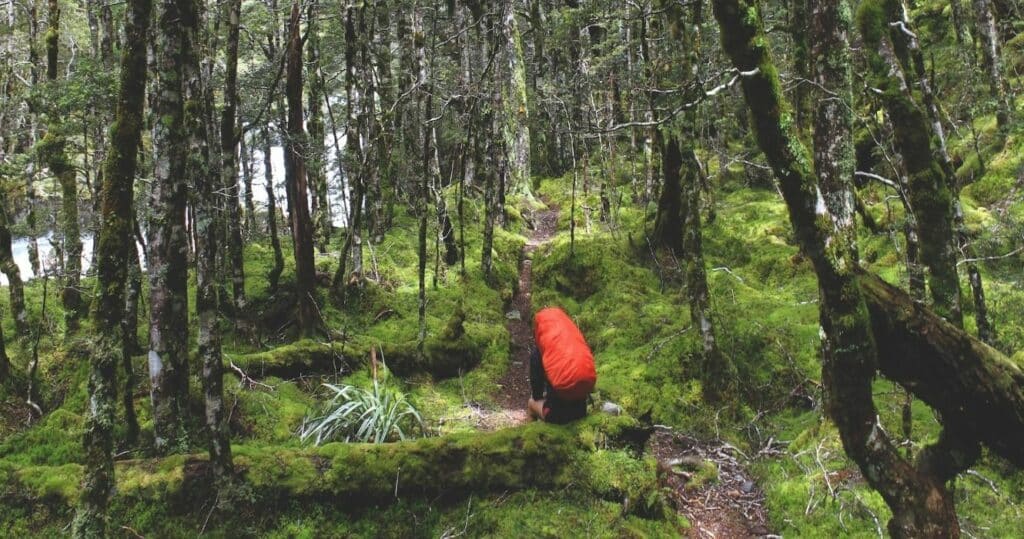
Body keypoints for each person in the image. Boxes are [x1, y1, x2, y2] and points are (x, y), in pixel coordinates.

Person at [527, 307, 596, 424]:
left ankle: (531, 433)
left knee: (531, 403)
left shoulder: (539, 352)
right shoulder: (573, 338)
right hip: (581, 410)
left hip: (557, 415)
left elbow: (537, 393)